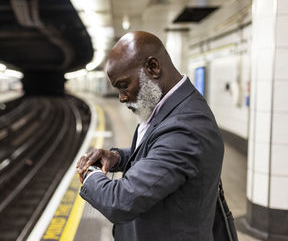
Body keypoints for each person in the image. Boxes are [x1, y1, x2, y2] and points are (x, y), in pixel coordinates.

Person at [76, 31, 224, 241]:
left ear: (153, 67)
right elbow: (159, 152)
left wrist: (91, 176)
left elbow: (121, 201)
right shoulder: (165, 107)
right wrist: (118, 158)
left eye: (124, 85)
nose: (121, 97)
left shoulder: (187, 126)